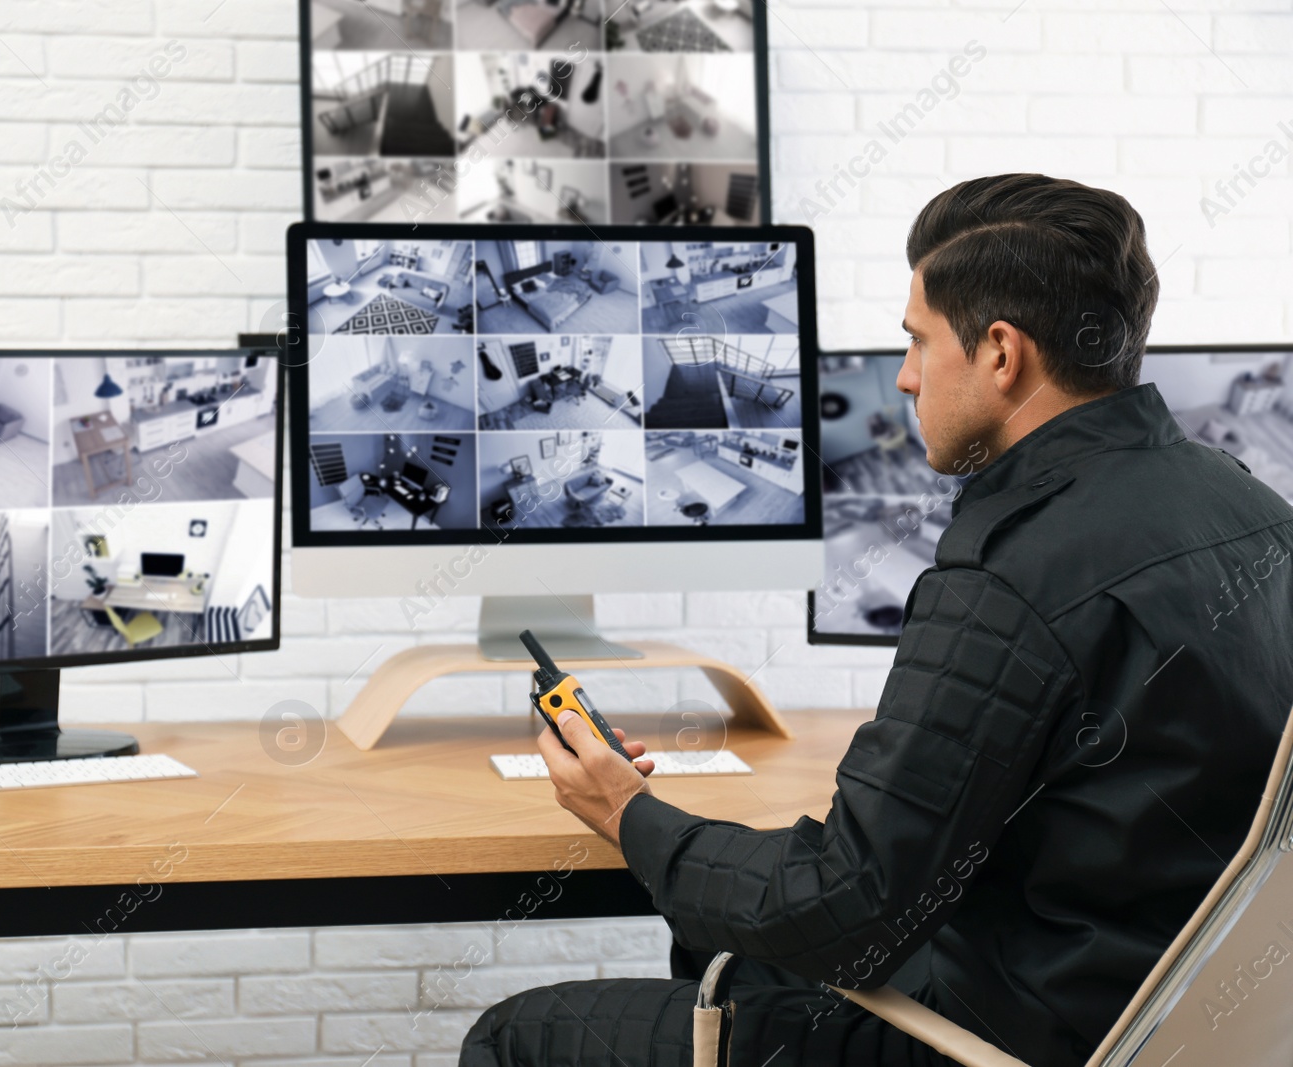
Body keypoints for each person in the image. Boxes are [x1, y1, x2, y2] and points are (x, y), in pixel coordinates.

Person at [460, 174, 1293, 1067]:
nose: (903, 376)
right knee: (715, 944)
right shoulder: (1250, 507)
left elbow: (836, 903)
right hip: (1148, 1012)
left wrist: (628, 812)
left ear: (1001, 353)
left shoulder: (1016, 568)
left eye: (918, 341)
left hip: (993, 1043)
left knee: (517, 1037)